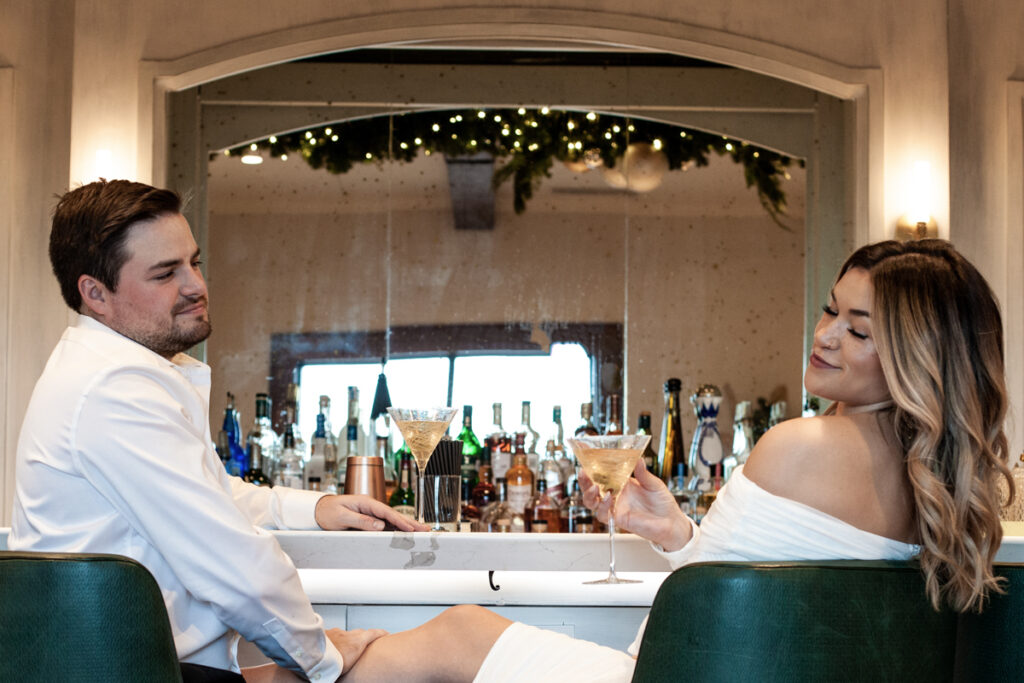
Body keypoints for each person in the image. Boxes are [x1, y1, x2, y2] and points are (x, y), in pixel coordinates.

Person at [332, 238, 1014, 682]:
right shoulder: (935, 477)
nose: (827, 336)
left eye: (858, 329)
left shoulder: (800, 445)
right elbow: (753, 599)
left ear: (920, 355)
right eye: (829, 311)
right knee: (399, 643)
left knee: (448, 632)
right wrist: (675, 532)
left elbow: (701, 622)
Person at [9, 179, 425, 682]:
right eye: (165, 273)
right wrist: (323, 660)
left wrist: (310, 508)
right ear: (95, 293)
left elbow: (208, 490)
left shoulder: (112, 371)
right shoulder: (113, 389)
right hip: (134, 673)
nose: (195, 286)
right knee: (442, 649)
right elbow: (234, 565)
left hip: (147, 667)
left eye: (194, 263)